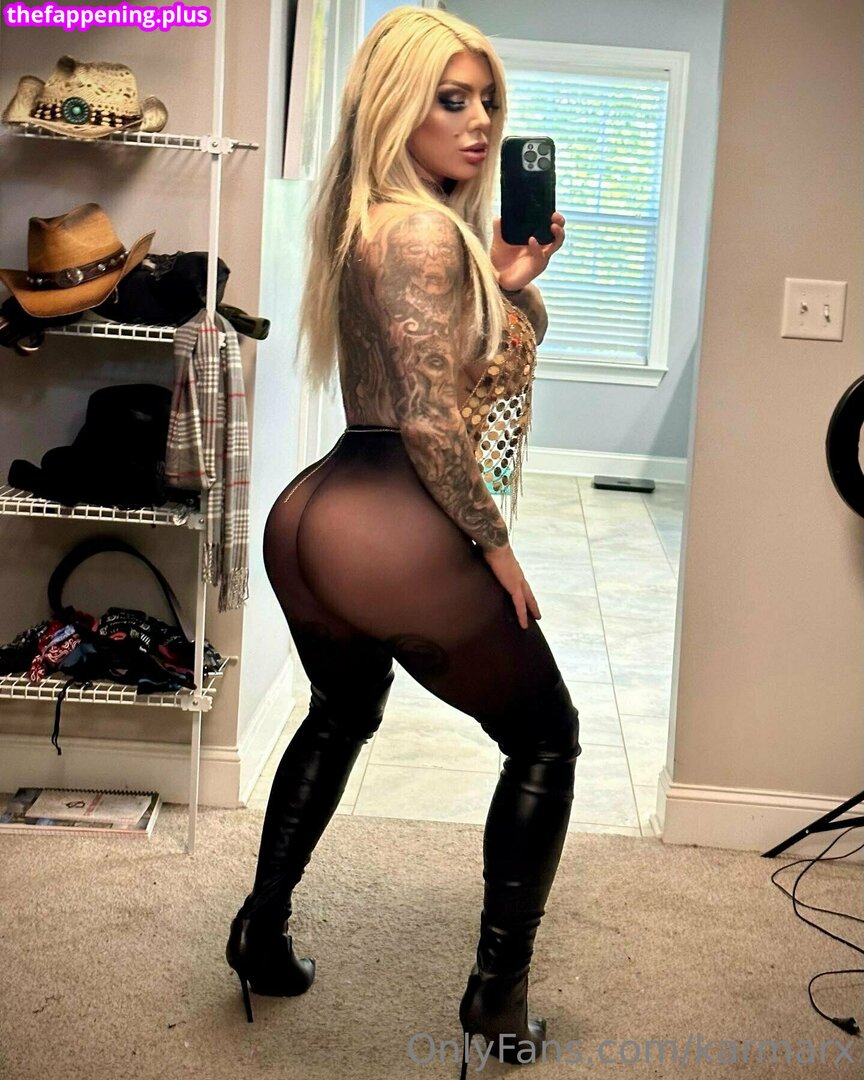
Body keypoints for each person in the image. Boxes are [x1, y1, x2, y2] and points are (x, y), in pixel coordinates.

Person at [226, 6, 582, 1072]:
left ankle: (260, 932)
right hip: (392, 518)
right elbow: (433, 421)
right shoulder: (424, 233)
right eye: (450, 99)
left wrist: (506, 285)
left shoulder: (373, 222)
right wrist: (496, 549)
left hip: (318, 509)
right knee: (545, 737)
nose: (480, 123)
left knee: (341, 712)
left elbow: (427, 371)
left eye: (488, 101)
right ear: (396, 107)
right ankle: (496, 1000)